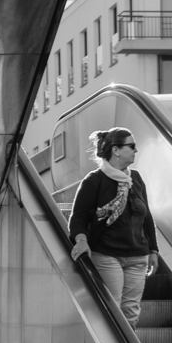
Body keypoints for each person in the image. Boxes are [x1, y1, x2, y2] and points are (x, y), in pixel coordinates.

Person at [68, 127, 159, 326]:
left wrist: (153, 249)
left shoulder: (135, 179)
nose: (136, 150)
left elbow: (147, 216)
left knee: (131, 312)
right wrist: (81, 240)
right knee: (113, 308)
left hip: (138, 255)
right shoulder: (94, 181)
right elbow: (78, 219)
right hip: (108, 255)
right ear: (116, 150)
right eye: (131, 146)